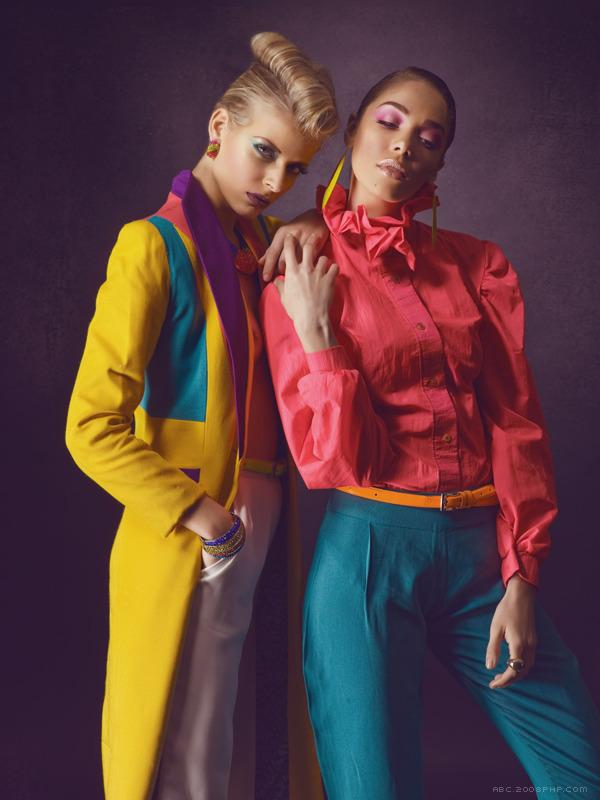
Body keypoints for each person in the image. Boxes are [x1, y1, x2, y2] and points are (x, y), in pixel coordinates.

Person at [260, 67, 600, 798]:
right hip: (368, 558)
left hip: (482, 559)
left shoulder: (477, 266)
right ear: (354, 130)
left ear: (440, 163)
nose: (404, 145)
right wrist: (317, 334)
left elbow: (516, 424)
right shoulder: (302, 265)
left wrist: (521, 577)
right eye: (388, 122)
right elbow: (333, 462)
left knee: (580, 776)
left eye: (429, 137)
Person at [65, 31, 337, 800]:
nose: (276, 180)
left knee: (244, 720)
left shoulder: (269, 240)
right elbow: (89, 426)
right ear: (219, 126)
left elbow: (351, 226)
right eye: (263, 152)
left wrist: (314, 222)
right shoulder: (151, 247)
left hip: (271, 512)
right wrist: (200, 515)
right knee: (181, 734)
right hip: (193, 519)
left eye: (295, 168)